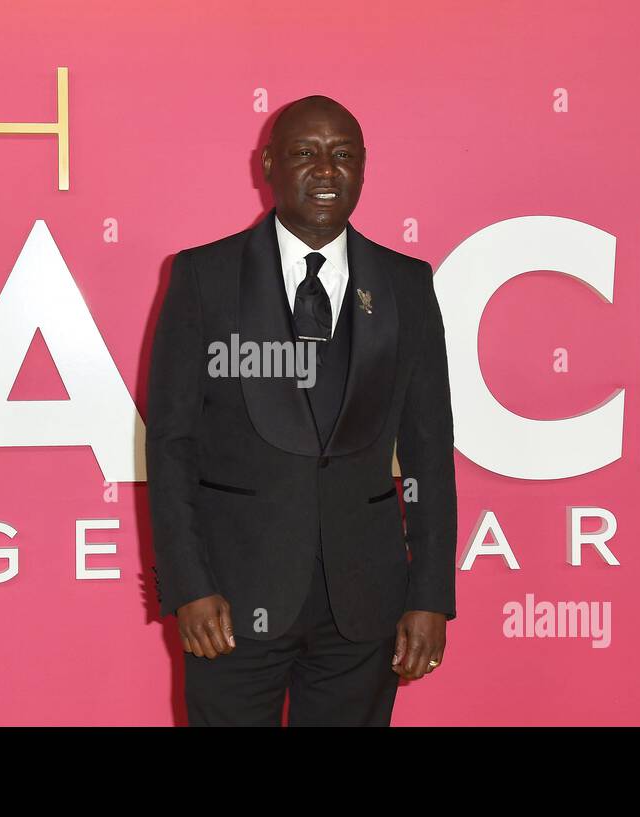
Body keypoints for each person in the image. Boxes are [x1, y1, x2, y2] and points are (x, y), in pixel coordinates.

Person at [147, 95, 457, 726]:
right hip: (230, 601)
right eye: (304, 154)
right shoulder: (204, 277)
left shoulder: (407, 285)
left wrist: (429, 594)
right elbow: (171, 446)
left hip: (364, 606)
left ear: (364, 169)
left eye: (342, 155)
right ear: (268, 164)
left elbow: (430, 449)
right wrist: (189, 586)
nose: (325, 169)